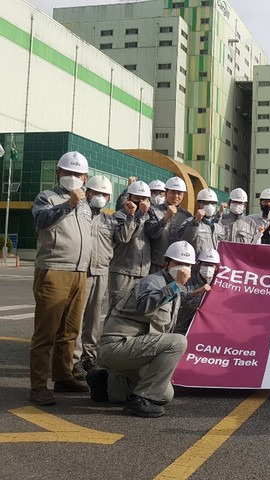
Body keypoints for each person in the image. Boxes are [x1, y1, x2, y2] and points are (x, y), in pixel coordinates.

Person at [87, 241, 194, 418]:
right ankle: (140, 401)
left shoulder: (175, 289)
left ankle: (105, 383)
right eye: (177, 263)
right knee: (178, 342)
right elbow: (144, 306)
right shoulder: (153, 281)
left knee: (165, 394)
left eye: (188, 265)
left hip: (137, 349)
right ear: (166, 264)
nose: (183, 269)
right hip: (118, 346)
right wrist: (176, 285)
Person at [30, 151, 92, 405]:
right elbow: (41, 221)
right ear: (58, 172)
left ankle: (64, 375)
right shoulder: (47, 197)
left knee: (70, 330)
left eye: (79, 174)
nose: (74, 178)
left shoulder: (87, 203)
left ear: (86, 177)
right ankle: (38, 386)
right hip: (54, 270)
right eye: (68, 173)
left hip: (79, 272)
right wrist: (68, 205)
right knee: (46, 331)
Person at [72, 176, 120, 380]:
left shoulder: (110, 220)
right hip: (81, 271)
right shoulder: (78, 214)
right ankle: (73, 360)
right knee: (76, 316)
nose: (100, 197)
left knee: (93, 318)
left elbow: (122, 239)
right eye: (96, 193)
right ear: (87, 192)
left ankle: (88, 357)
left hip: (101, 271)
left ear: (109, 198)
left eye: (104, 194)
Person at [108, 180, 152, 313]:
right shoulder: (119, 215)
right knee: (117, 310)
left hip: (143, 272)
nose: (140, 202)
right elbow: (124, 237)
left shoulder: (150, 217)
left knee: (135, 313)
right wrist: (136, 215)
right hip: (123, 271)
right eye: (136, 198)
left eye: (144, 199)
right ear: (128, 198)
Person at [146, 176, 193, 273]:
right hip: (157, 263)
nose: (176, 196)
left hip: (177, 264)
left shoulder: (187, 216)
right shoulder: (154, 210)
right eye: (172, 192)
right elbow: (152, 234)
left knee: (175, 288)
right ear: (166, 193)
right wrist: (166, 218)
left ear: (183, 195)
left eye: (179, 193)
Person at [174, 248, 218, 335]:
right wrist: (197, 292)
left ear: (216, 268)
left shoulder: (218, 284)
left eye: (211, 265)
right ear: (199, 264)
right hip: (184, 327)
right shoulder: (187, 280)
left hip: (206, 329)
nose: (208, 268)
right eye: (205, 264)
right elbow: (178, 300)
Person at [181, 188, 226, 256]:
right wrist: (195, 222)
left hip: (213, 264)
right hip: (196, 264)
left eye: (213, 203)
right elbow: (184, 242)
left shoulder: (219, 227)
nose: (210, 206)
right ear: (198, 204)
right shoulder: (189, 222)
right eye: (206, 203)